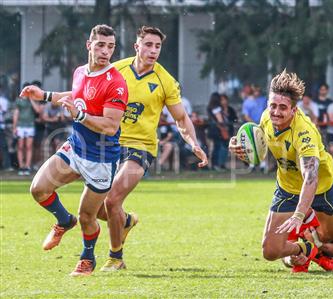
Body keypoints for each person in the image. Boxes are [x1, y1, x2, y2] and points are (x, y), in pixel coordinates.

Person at [19, 24, 129, 276]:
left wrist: (79, 115)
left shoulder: (117, 83)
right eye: (100, 45)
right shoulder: (80, 71)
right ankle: (64, 221)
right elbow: (78, 95)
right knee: (38, 189)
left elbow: (111, 127)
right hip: (75, 148)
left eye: (110, 46)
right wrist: (44, 95)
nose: (105, 51)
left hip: (101, 159)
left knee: (88, 215)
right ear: (88, 45)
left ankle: (87, 258)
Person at [98, 26, 208, 271]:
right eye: (148, 45)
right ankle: (126, 221)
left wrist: (194, 144)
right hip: (110, 144)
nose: (153, 50)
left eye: (157, 46)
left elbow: (181, 118)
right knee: (97, 207)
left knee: (112, 199)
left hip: (141, 148)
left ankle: (115, 258)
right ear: (137, 46)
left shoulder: (164, 80)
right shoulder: (117, 70)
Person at [229, 70, 333, 265]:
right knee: (270, 251)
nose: (276, 112)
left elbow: (311, 177)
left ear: (294, 110)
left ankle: (325, 228)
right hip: (288, 187)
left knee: (331, 238)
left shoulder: (304, 132)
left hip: (322, 187)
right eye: (272, 106)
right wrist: (238, 147)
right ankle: (307, 247)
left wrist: (298, 214)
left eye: (283, 107)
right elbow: (257, 145)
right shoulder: (266, 117)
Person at [13, 82, 41, 176]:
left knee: (29, 146)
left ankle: (27, 166)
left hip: (30, 126)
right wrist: (14, 127)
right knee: (20, 146)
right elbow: (16, 114)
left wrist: (31, 99)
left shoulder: (33, 99)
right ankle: (21, 166)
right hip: (20, 125)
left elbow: (38, 110)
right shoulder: (19, 100)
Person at [207, 92, 229, 171]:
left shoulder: (210, 107)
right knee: (218, 148)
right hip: (218, 130)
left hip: (212, 130)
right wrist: (224, 127)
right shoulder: (216, 107)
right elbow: (219, 119)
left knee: (215, 148)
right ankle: (216, 165)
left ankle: (214, 165)